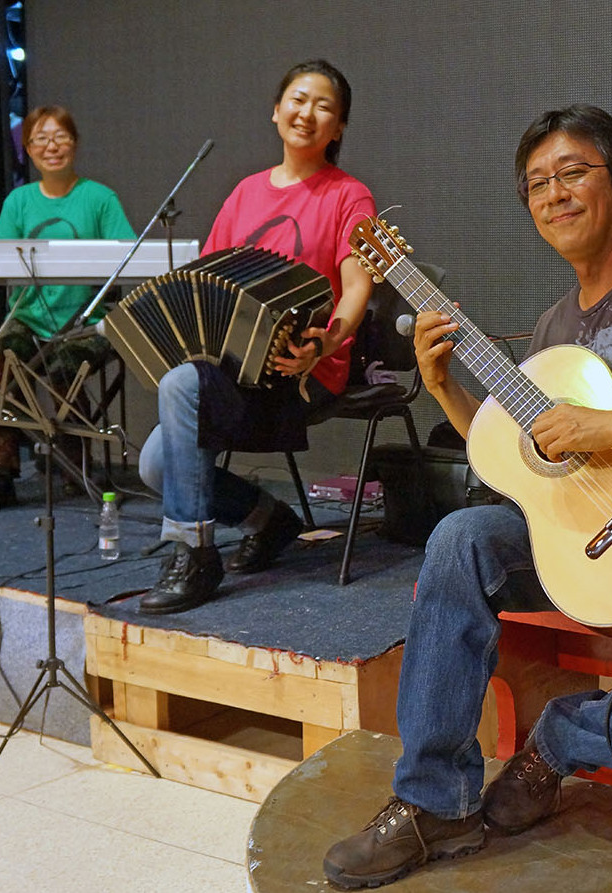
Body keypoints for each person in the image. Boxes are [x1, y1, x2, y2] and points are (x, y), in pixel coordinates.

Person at [322, 105, 612, 888]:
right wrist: (442, 387)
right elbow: (519, 460)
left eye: (573, 172)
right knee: (461, 535)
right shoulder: (551, 328)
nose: (554, 192)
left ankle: (554, 743)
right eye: (537, 183)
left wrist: (611, 429)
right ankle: (432, 800)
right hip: (586, 547)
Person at [135, 59, 376, 614]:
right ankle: (270, 520)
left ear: (338, 127)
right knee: (153, 467)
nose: (306, 113)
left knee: (178, 389)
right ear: (275, 110)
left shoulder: (348, 196)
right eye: (297, 99)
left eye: (323, 106)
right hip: (236, 369)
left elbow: (357, 290)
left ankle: (193, 553)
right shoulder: (244, 193)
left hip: (302, 370)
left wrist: (323, 345)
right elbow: (203, 283)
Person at [0, 105, 136, 515]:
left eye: (60, 136)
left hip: (86, 325)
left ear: (74, 144)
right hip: (28, 320)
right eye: (40, 138)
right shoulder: (18, 201)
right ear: (27, 149)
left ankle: (75, 466)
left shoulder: (99, 199)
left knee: (64, 368)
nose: (51, 146)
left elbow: (131, 257)